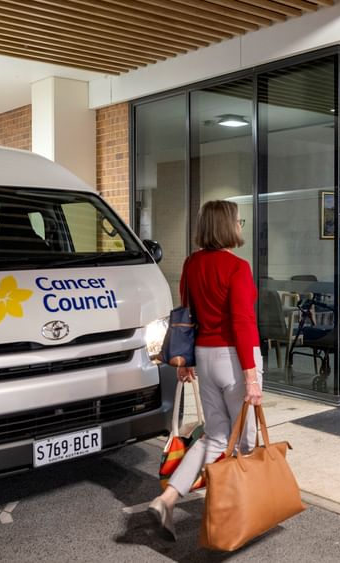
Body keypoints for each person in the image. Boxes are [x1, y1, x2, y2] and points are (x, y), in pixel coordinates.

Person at [148, 200, 263, 540]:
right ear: (228, 226)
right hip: (234, 359)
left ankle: (168, 499)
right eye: (238, 220)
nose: (240, 225)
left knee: (214, 436)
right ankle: (234, 515)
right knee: (245, 441)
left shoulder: (192, 264)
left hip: (204, 356)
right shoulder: (237, 268)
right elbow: (242, 323)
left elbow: (187, 314)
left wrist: (187, 364)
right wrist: (251, 376)